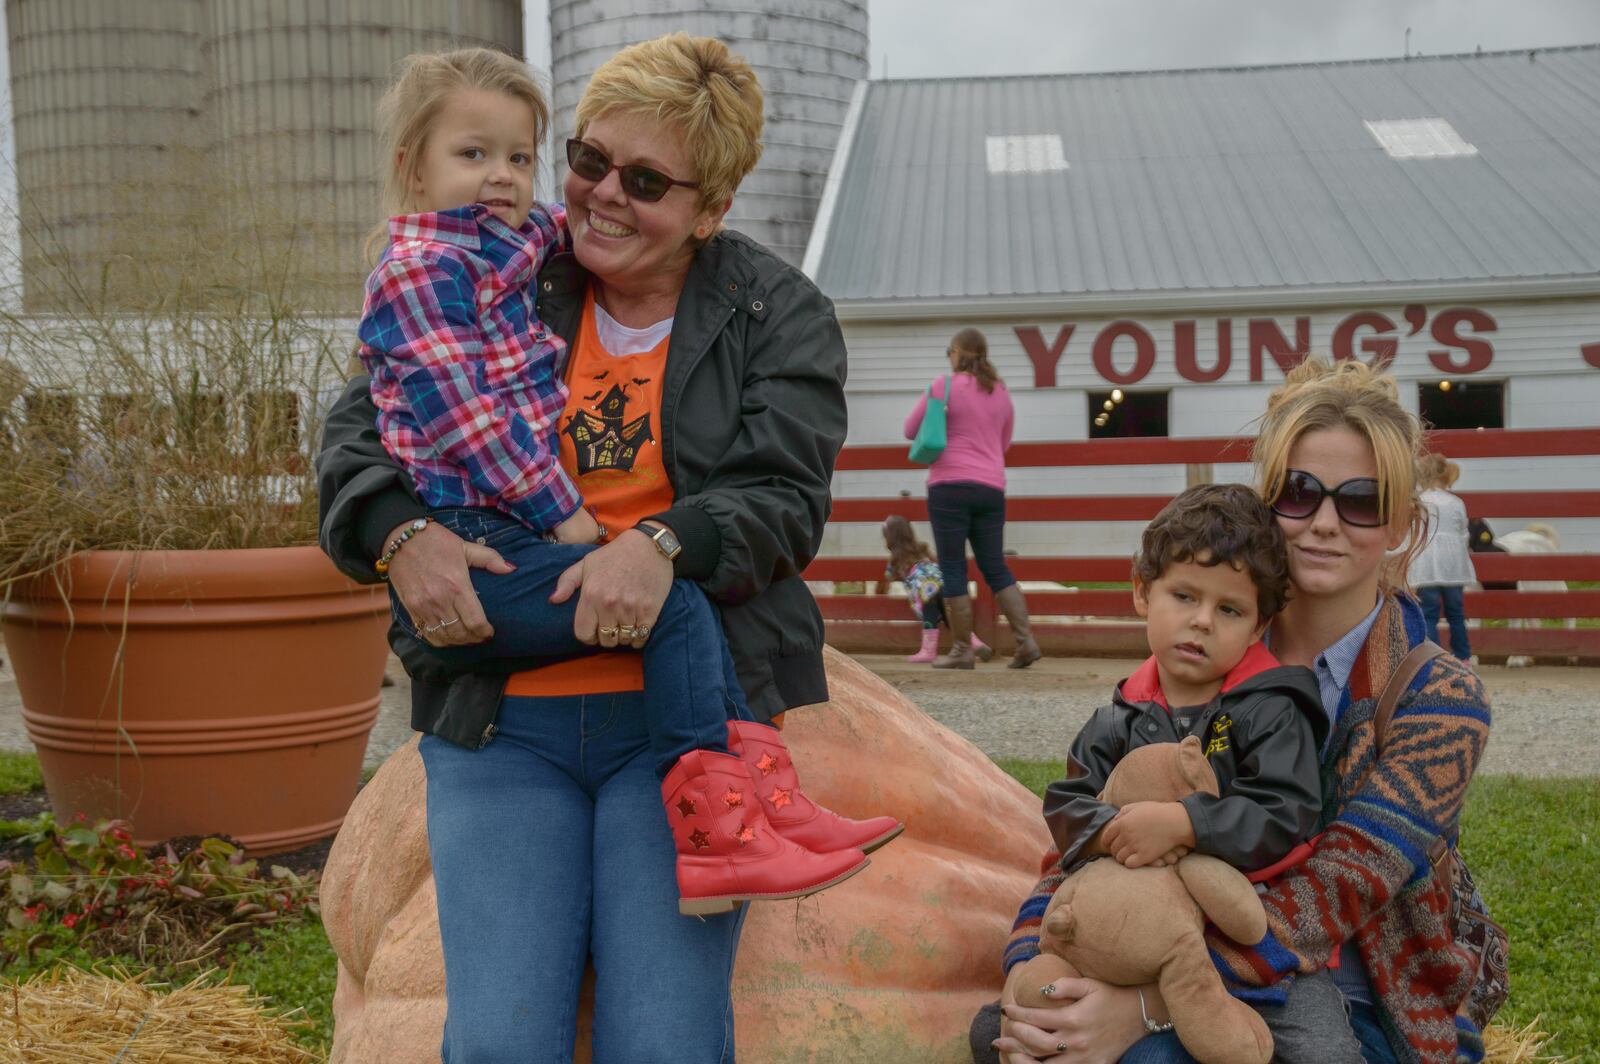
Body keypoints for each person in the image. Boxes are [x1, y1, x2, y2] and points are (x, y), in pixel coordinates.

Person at [317, 34, 894, 1062]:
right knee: (498, 1042)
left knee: (664, 1041)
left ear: (709, 211)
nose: (601, 196)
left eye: (645, 180)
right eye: (587, 161)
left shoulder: (777, 312)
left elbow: (782, 495)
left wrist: (661, 543)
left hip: (670, 726)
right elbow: (362, 427)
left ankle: (729, 816)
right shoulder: (495, 260)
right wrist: (396, 531)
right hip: (503, 723)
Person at [985, 358, 1494, 1064]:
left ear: (1402, 525)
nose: (1322, 523)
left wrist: (1150, 1000)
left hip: (1353, 997)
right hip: (1159, 946)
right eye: (1299, 492)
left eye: (1360, 502)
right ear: (1268, 502)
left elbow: (1337, 890)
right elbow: (1087, 835)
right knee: (1021, 1039)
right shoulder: (1193, 662)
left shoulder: (1441, 699)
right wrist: (1027, 968)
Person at [1004, 483, 1343, 1061]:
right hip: (1133, 927)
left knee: (1324, 1050)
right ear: (1142, 592)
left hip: (1251, 933)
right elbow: (1068, 802)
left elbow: (1286, 811)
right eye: (1184, 596)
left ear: (1259, 627)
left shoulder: (1272, 707)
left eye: (1229, 609)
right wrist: (1114, 830)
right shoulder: (1118, 715)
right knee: (1004, 1026)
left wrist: (1187, 823)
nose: (1202, 621)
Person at [904, 327, 1041, 669]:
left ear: (957, 354)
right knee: (994, 565)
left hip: (949, 485)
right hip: (991, 487)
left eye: (948, 352)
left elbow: (910, 429)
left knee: (952, 565)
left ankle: (962, 650)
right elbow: (1004, 442)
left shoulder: (943, 385)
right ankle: (1026, 642)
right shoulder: (1001, 391)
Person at [881, 514, 993, 663]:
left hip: (926, 590)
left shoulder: (896, 559)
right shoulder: (922, 548)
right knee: (950, 617)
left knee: (930, 617)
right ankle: (975, 643)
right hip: (942, 582)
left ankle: (928, 651)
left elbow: (889, 576)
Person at [1410, 454, 1474, 662]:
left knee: (1428, 613)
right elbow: (1463, 532)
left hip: (1426, 564)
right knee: (1456, 613)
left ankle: (1433, 659)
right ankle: (1463, 657)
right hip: (1453, 566)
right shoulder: (1456, 502)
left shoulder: (1419, 502)